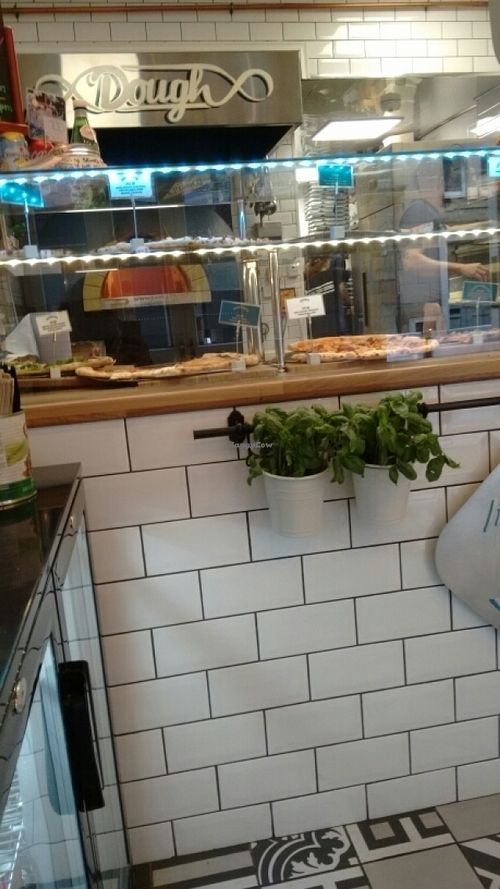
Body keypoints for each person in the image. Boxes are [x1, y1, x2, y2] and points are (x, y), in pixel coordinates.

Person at [398, 157, 489, 330]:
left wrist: (485, 225)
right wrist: (460, 268)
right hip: (424, 306)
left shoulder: (428, 212)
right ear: (440, 182)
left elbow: (446, 231)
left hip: (431, 303)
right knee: (429, 352)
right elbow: (411, 259)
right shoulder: (419, 211)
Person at [304, 253, 352, 338]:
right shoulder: (334, 273)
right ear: (327, 262)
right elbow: (342, 290)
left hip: (317, 325)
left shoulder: (308, 282)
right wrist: (349, 303)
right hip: (334, 321)